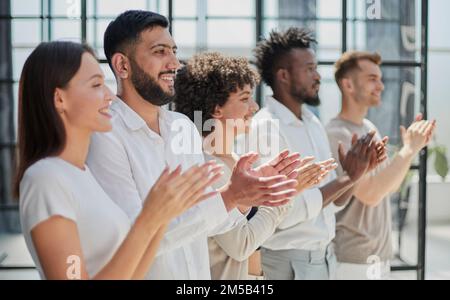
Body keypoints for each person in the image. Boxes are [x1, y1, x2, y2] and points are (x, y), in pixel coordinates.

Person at [86, 10, 299, 280]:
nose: (175, 62)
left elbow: (210, 220)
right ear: (122, 66)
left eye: (174, 51)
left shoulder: (182, 126)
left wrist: (247, 194)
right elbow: (135, 239)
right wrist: (231, 196)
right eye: (160, 51)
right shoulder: (105, 135)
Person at [16, 41, 220, 280]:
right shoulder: (46, 180)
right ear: (60, 99)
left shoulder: (84, 175)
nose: (110, 96)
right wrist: (148, 219)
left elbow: (132, 274)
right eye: (96, 85)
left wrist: (161, 216)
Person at [174, 52, 337, 280]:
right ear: (216, 109)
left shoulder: (234, 157)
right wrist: (286, 194)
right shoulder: (208, 168)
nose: (255, 106)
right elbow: (242, 245)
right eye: (244, 98)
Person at [251, 27, 388, 280]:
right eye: (310, 69)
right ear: (283, 75)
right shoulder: (266, 127)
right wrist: (346, 178)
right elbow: (285, 212)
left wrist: (355, 174)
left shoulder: (312, 124)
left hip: (324, 260)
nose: (317, 76)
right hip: (288, 265)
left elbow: (332, 203)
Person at [326, 51, 436, 280]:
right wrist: (409, 150)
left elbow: (389, 185)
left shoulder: (368, 128)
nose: (381, 86)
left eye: (380, 79)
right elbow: (372, 194)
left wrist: (409, 149)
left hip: (380, 256)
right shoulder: (337, 134)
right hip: (352, 260)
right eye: (372, 79)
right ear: (348, 84)